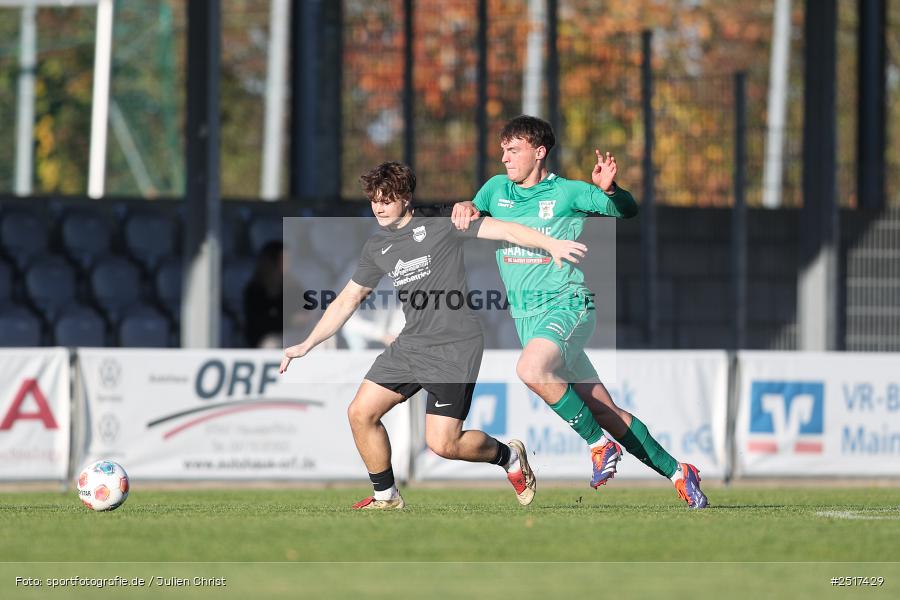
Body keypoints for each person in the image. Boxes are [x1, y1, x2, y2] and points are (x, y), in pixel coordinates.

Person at [280, 161, 588, 510]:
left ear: (406, 198)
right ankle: (387, 497)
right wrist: (307, 343)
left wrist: (551, 244)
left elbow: (506, 230)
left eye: (387, 198)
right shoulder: (378, 248)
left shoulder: (443, 224)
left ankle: (509, 458)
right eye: (374, 200)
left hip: (455, 346)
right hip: (412, 344)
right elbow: (348, 299)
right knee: (360, 413)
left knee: (444, 445)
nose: (379, 207)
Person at [451, 115, 708, 509]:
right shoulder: (496, 189)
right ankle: (678, 472)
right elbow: (474, 207)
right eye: (502, 149)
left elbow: (626, 210)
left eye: (513, 149)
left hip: (567, 305)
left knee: (531, 370)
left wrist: (613, 190)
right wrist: (466, 205)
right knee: (604, 410)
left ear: (540, 152)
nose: (504, 157)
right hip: (529, 320)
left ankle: (598, 446)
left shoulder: (568, 193)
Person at [244, 240, 284, 348]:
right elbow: (257, 324)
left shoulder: (293, 286)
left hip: (294, 335)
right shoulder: (255, 290)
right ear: (272, 262)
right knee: (270, 344)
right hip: (265, 340)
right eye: (284, 260)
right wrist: (290, 320)